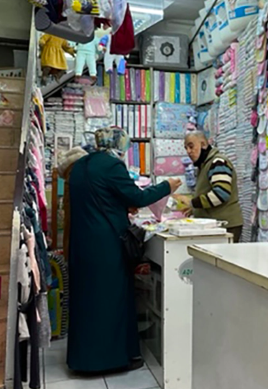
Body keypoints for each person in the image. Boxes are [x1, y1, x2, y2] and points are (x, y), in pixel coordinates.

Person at [66, 127, 181, 374]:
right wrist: (166, 186)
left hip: (82, 244)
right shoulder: (111, 166)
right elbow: (137, 198)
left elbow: (99, 200)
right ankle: (111, 359)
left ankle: (83, 358)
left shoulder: (81, 166)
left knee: (86, 302)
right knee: (111, 301)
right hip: (106, 245)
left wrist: (119, 206)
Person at [176, 130, 244, 242]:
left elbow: (221, 194)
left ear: (203, 144)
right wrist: (195, 209)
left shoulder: (217, 162)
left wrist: (192, 202)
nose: (188, 151)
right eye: (186, 148)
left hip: (226, 225)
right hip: (217, 224)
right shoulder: (205, 165)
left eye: (191, 147)